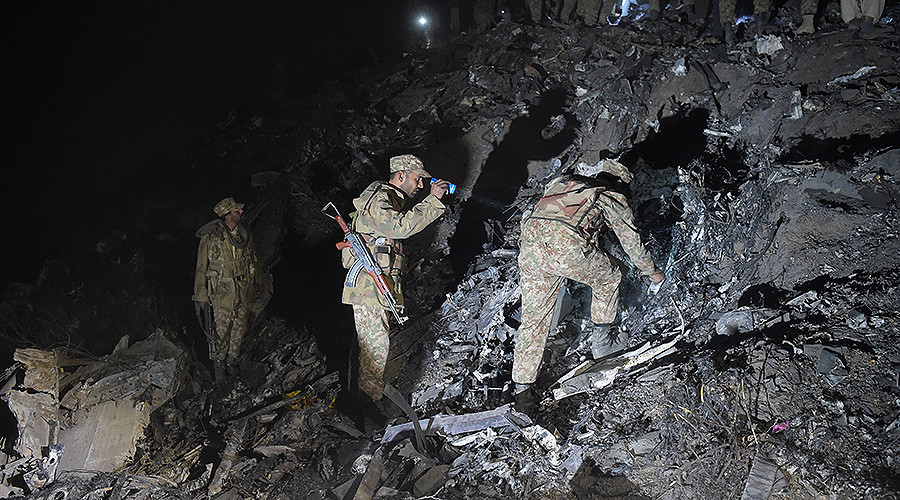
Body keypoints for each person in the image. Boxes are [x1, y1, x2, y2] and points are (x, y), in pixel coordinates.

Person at [512, 159, 665, 410]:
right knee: (610, 276)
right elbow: (631, 242)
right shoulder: (609, 196)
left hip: (530, 247)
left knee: (534, 319)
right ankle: (603, 343)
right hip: (566, 249)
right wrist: (653, 272)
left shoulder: (563, 184)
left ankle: (523, 391)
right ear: (619, 182)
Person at [342, 155, 450, 403]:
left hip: (376, 286)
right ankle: (366, 404)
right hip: (368, 287)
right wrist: (432, 201)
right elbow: (399, 228)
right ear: (400, 176)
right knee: (375, 347)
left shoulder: (389, 199)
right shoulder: (379, 198)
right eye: (416, 179)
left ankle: (361, 396)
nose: (420, 185)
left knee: (372, 344)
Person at [193, 197, 261, 381]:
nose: (241, 213)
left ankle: (231, 361)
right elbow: (201, 266)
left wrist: (258, 283)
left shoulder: (244, 233)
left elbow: (253, 259)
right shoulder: (212, 235)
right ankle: (218, 366)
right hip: (221, 292)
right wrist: (201, 294)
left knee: (239, 328)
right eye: (236, 211)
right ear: (227, 215)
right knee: (221, 331)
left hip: (243, 289)